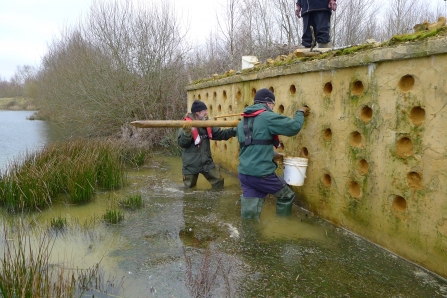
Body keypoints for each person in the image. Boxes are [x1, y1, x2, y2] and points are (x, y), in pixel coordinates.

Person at [235, 88, 310, 219]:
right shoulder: (267, 116)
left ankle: (248, 235)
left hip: (245, 174)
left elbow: (252, 146)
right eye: (273, 105)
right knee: (287, 195)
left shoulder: (242, 122)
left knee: (250, 215)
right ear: (268, 103)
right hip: (261, 174)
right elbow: (293, 127)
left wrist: (273, 154)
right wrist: (300, 113)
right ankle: (282, 227)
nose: (273, 108)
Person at [178, 99, 236, 190]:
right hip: (191, 164)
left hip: (206, 162)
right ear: (197, 112)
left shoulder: (207, 123)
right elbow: (182, 144)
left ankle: (212, 201)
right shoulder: (186, 124)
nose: (206, 113)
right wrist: (186, 133)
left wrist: (234, 131)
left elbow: (221, 134)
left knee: (219, 182)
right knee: (189, 190)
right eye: (204, 111)